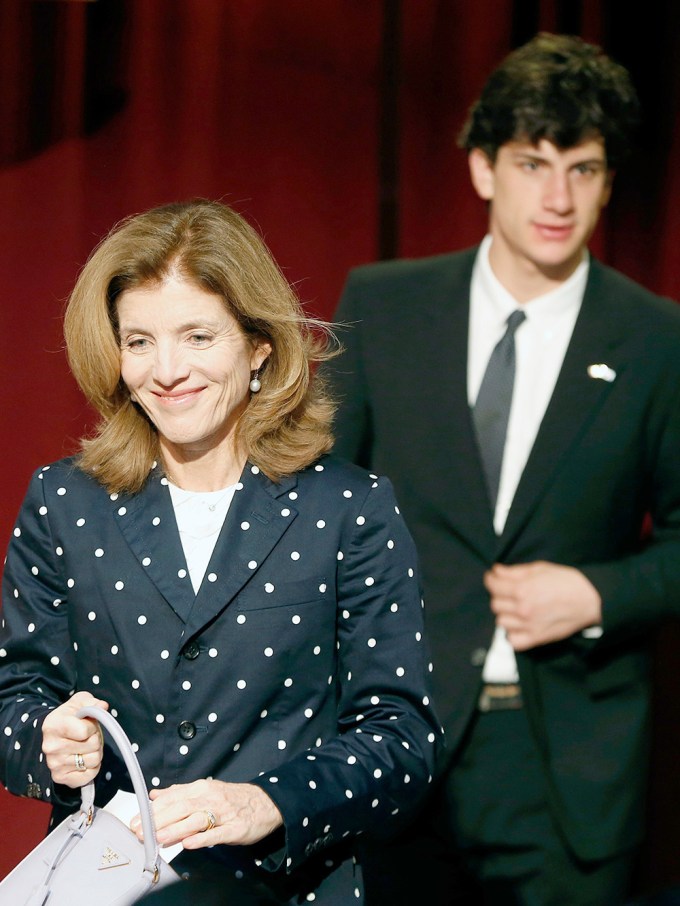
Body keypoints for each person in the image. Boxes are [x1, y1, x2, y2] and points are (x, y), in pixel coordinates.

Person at [0, 199, 442, 904]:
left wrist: (264, 803)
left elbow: (403, 740)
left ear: (259, 346)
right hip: (110, 886)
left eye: (198, 337)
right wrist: (44, 742)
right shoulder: (64, 502)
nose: (166, 369)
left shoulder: (348, 507)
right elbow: (15, 700)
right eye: (139, 341)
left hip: (287, 889)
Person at [325, 32, 680, 906]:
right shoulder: (383, 304)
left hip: (566, 771)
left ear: (608, 180)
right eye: (532, 164)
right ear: (483, 167)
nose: (558, 197)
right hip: (394, 737)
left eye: (585, 170)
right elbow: (316, 509)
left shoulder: (657, 339)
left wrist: (600, 594)